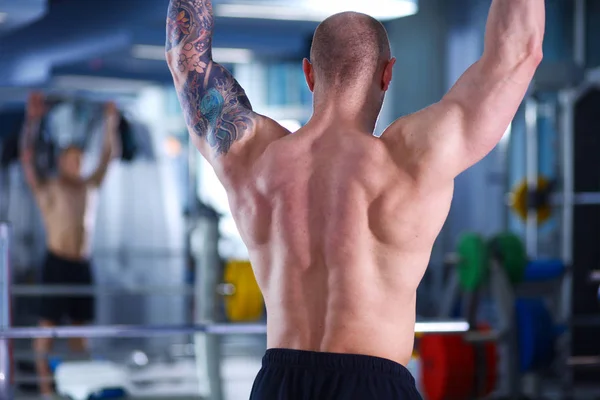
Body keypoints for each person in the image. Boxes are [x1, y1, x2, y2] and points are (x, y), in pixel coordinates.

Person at [166, 0, 545, 398]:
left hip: (279, 385)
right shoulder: (413, 158)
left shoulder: (252, 155)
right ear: (388, 74)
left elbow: (184, 57)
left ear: (309, 74)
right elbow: (519, 52)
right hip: (375, 385)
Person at [20, 92, 120, 396]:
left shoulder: (90, 187)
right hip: (57, 262)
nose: (77, 163)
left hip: (81, 265)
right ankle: (46, 389)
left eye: (80, 158)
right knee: (47, 328)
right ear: (62, 161)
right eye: (72, 158)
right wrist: (32, 121)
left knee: (79, 331)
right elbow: (27, 157)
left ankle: (79, 384)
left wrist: (110, 122)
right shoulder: (49, 188)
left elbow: (107, 156)